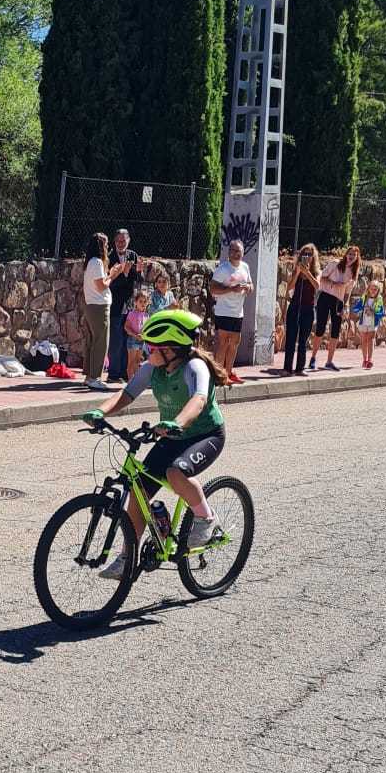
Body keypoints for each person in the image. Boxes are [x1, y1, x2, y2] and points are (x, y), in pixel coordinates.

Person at [82, 306, 233, 576]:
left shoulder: (195, 367)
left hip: (205, 435)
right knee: (139, 488)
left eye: (153, 347)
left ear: (172, 348)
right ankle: (128, 556)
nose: (148, 352)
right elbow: (127, 395)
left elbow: (198, 400)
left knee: (176, 472)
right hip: (172, 435)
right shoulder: (153, 368)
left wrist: (177, 422)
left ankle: (206, 518)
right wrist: (100, 411)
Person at [310, 245, 361, 371]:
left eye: (354, 255)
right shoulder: (335, 264)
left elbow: (347, 293)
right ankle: (313, 358)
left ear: (357, 258)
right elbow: (321, 278)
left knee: (335, 331)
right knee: (320, 328)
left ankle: (329, 361)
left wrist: (346, 305)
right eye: (350, 254)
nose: (351, 257)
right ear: (346, 254)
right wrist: (335, 283)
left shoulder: (353, 273)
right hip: (325, 297)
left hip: (338, 301)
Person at [209, 238, 253, 376]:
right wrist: (231, 289)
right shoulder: (223, 269)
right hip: (224, 311)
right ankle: (218, 374)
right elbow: (213, 289)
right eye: (233, 250)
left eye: (238, 251)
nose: (235, 253)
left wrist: (248, 288)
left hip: (238, 312)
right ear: (229, 253)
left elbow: (251, 285)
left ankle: (228, 373)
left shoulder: (245, 267)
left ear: (243, 252)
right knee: (222, 343)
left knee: (234, 343)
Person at [279, 244, 320, 376]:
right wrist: (297, 273)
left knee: (303, 339)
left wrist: (307, 273)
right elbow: (289, 288)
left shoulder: (316, 272)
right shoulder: (295, 269)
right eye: (304, 254)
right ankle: (287, 368)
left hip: (308, 308)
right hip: (295, 307)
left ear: (313, 258)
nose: (306, 257)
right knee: (291, 337)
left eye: (309, 255)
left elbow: (317, 285)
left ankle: (300, 368)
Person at [106, 229, 142, 383]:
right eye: (118, 241)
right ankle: (113, 374)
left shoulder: (132, 255)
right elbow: (109, 283)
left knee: (128, 340)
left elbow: (138, 280)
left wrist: (139, 271)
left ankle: (125, 373)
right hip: (115, 304)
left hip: (129, 304)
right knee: (116, 340)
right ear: (114, 242)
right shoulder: (109, 258)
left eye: (123, 241)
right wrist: (125, 274)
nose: (120, 244)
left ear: (128, 241)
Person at [81, 233, 112, 392]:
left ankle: (89, 376)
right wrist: (113, 274)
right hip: (99, 306)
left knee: (93, 342)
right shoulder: (97, 262)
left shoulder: (90, 262)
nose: (107, 248)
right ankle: (95, 378)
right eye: (106, 245)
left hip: (92, 305)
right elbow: (101, 286)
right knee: (101, 342)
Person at [357, 278, 386, 370]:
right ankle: (364, 359)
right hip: (364, 321)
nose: (373, 290)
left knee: (371, 339)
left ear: (378, 290)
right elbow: (357, 307)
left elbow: (381, 312)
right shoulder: (364, 297)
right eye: (372, 288)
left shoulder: (379, 299)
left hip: (373, 322)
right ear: (368, 288)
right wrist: (361, 309)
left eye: (376, 289)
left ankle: (370, 360)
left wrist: (373, 311)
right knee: (364, 340)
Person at [124, 282, 150, 378]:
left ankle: (135, 381)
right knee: (131, 362)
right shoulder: (132, 314)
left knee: (138, 362)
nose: (143, 304)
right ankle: (130, 381)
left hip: (141, 341)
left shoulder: (147, 315)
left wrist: (145, 336)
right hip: (133, 339)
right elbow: (126, 327)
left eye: (145, 302)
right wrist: (135, 335)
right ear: (136, 302)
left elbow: (146, 328)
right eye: (140, 301)